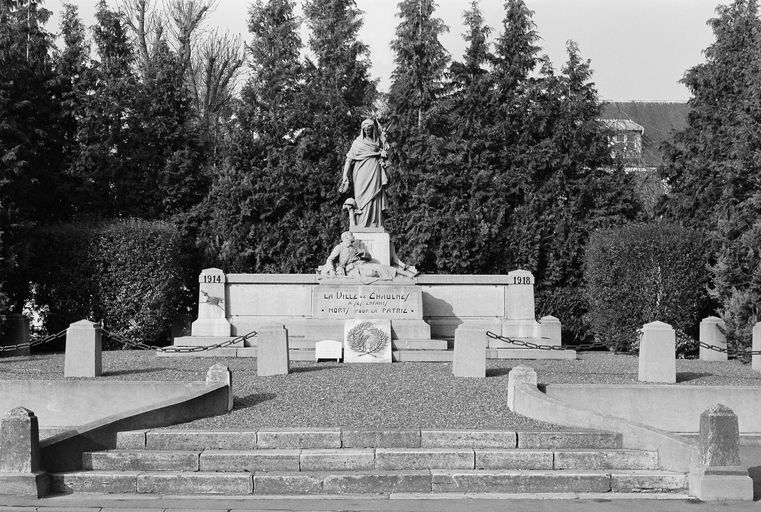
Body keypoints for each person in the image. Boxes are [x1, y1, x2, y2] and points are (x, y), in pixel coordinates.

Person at [339, 119, 388, 229]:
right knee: (361, 197)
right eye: (365, 129)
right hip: (360, 172)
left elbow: (385, 154)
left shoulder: (378, 142)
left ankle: (375, 223)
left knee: (374, 195)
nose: (367, 131)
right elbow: (349, 159)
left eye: (369, 129)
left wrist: (383, 155)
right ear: (362, 130)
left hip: (374, 169)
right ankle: (361, 223)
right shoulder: (357, 143)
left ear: (373, 129)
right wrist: (345, 176)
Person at [319, 232, 417, 280]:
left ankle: (406, 274)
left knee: (382, 267)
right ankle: (395, 278)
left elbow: (369, 257)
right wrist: (332, 271)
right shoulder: (339, 247)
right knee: (377, 269)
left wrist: (363, 253)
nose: (353, 237)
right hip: (353, 269)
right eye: (351, 235)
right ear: (345, 237)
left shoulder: (355, 247)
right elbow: (330, 259)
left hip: (363, 264)